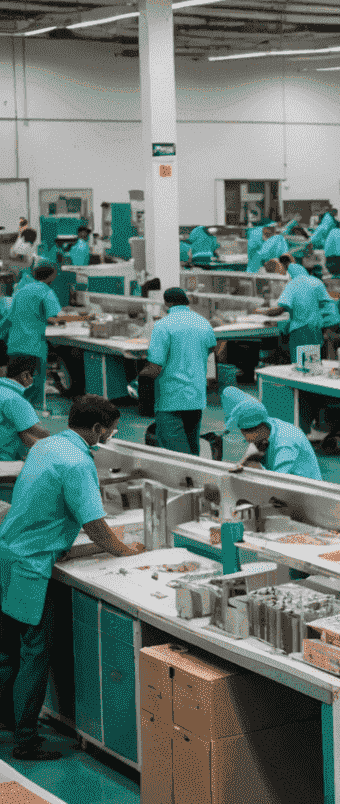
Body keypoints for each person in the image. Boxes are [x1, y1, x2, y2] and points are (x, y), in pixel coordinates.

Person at [0, 395, 144, 761]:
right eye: (109, 430)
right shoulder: (77, 461)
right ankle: (26, 740)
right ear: (96, 429)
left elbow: (40, 501)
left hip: (7, 553)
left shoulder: (47, 445)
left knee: (8, 652)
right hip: (29, 567)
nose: (111, 436)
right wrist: (127, 552)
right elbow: (96, 527)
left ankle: (9, 720)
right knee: (34, 652)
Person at [140, 288, 221, 455]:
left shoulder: (162, 326)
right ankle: (195, 479)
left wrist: (138, 379)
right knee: (192, 447)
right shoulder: (203, 322)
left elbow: (155, 368)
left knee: (176, 454)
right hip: (196, 396)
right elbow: (213, 346)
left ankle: (186, 480)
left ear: (167, 303)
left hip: (171, 398)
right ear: (187, 302)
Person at [222, 386, 322, 478]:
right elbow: (253, 447)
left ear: (254, 431)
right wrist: (243, 462)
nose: (247, 441)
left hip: (305, 490)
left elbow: (277, 482)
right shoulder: (268, 423)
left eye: (246, 437)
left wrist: (258, 468)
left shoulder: (285, 444)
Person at [7, 264, 61, 413]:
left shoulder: (20, 292)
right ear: (50, 276)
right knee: (35, 387)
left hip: (15, 345)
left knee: (14, 386)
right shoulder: (46, 291)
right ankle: (35, 416)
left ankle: (12, 416)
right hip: (34, 347)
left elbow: (10, 317)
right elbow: (52, 317)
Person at [265, 262, 329, 357]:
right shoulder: (317, 282)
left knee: (299, 362)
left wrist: (263, 313)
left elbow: (281, 309)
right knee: (313, 361)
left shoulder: (293, 284)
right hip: (316, 329)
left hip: (300, 330)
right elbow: (325, 305)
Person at [0, 356, 47, 460]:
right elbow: (40, 432)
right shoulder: (13, 398)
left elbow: (22, 433)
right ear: (25, 375)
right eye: (35, 376)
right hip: (5, 459)